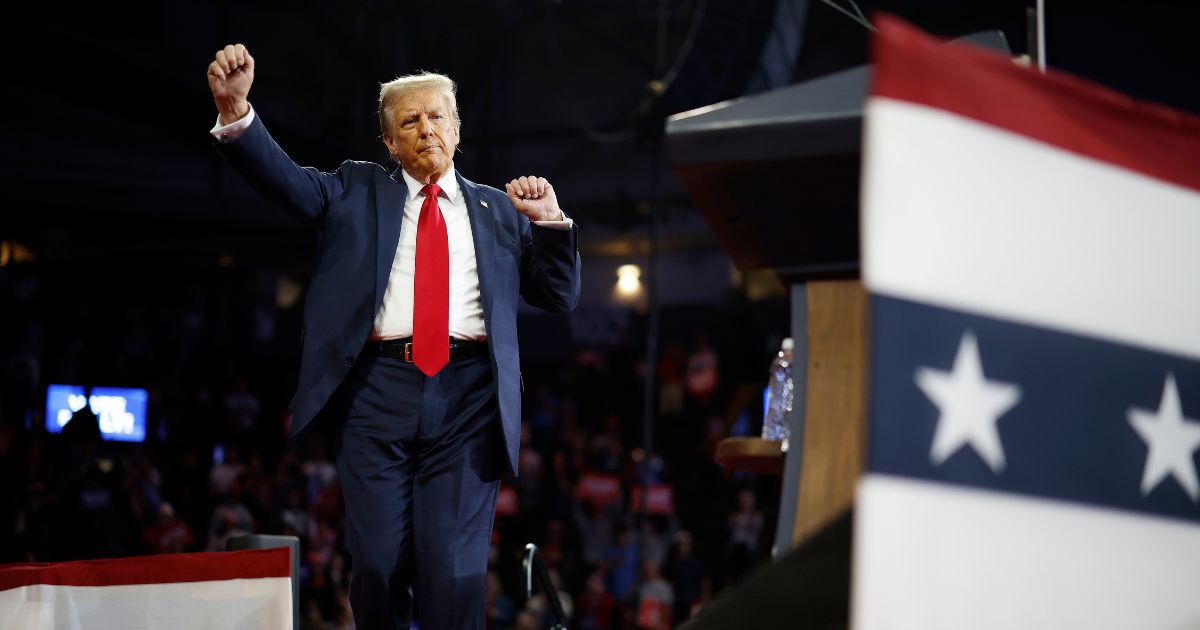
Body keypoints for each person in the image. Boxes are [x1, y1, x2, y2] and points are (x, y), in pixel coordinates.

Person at [205, 43, 581, 629]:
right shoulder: (355, 191)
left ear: (456, 130)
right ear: (389, 142)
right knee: (378, 569)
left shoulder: (499, 210)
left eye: (436, 117)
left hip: (469, 398)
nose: (425, 129)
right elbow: (287, 184)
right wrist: (236, 113)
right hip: (376, 393)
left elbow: (557, 295)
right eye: (409, 121)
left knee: (451, 574)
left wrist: (552, 223)